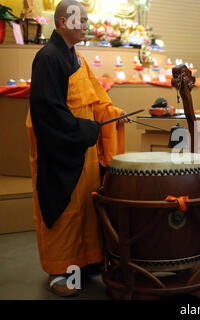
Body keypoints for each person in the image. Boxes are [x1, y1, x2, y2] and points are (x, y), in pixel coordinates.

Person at [25, 0, 128, 297]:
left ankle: (84, 262)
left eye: (86, 19)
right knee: (65, 212)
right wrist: (87, 130)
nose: (86, 24)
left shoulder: (77, 58)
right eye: (79, 19)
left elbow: (97, 100)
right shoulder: (48, 58)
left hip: (84, 151)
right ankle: (60, 272)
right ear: (60, 22)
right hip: (60, 151)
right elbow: (47, 113)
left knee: (85, 207)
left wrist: (112, 116)